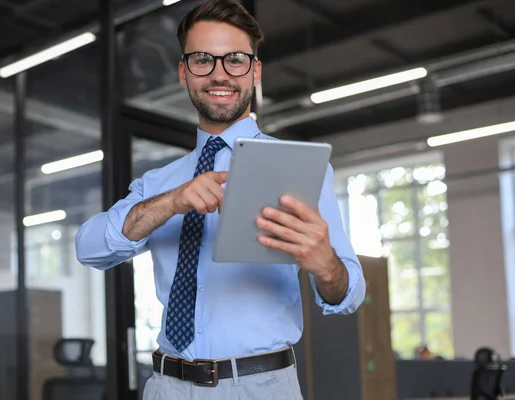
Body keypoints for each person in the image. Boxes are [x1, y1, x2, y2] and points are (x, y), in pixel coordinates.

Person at [75, 0, 366, 398]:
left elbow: (346, 295)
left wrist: (327, 267)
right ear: (183, 72)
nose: (219, 74)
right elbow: (89, 248)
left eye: (235, 60)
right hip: (165, 387)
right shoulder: (160, 183)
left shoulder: (299, 169)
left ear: (255, 71)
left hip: (259, 388)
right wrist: (173, 202)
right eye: (202, 60)